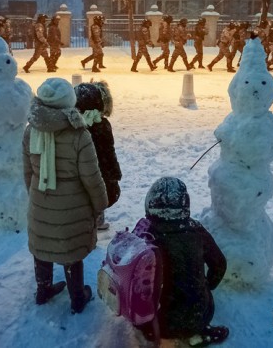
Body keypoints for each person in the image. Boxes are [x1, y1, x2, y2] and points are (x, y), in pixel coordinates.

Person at [23, 78, 108, 314]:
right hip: (74, 207)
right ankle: (77, 298)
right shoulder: (79, 134)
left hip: (41, 202)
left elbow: (27, 171)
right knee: (71, 254)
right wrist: (100, 204)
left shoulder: (31, 130)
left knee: (42, 248)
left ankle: (43, 290)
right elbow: (92, 177)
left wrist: (36, 197)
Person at [137, 177, 229, 347]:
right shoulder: (196, 230)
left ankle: (161, 335)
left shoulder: (146, 234)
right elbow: (219, 264)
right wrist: (205, 286)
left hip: (155, 323)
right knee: (194, 300)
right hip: (198, 316)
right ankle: (195, 332)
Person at [74, 81, 121, 230]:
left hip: (79, 170)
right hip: (100, 169)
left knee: (83, 192)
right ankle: (96, 219)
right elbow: (108, 151)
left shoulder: (73, 125)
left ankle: (87, 219)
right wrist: (114, 172)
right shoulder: (101, 126)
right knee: (99, 192)